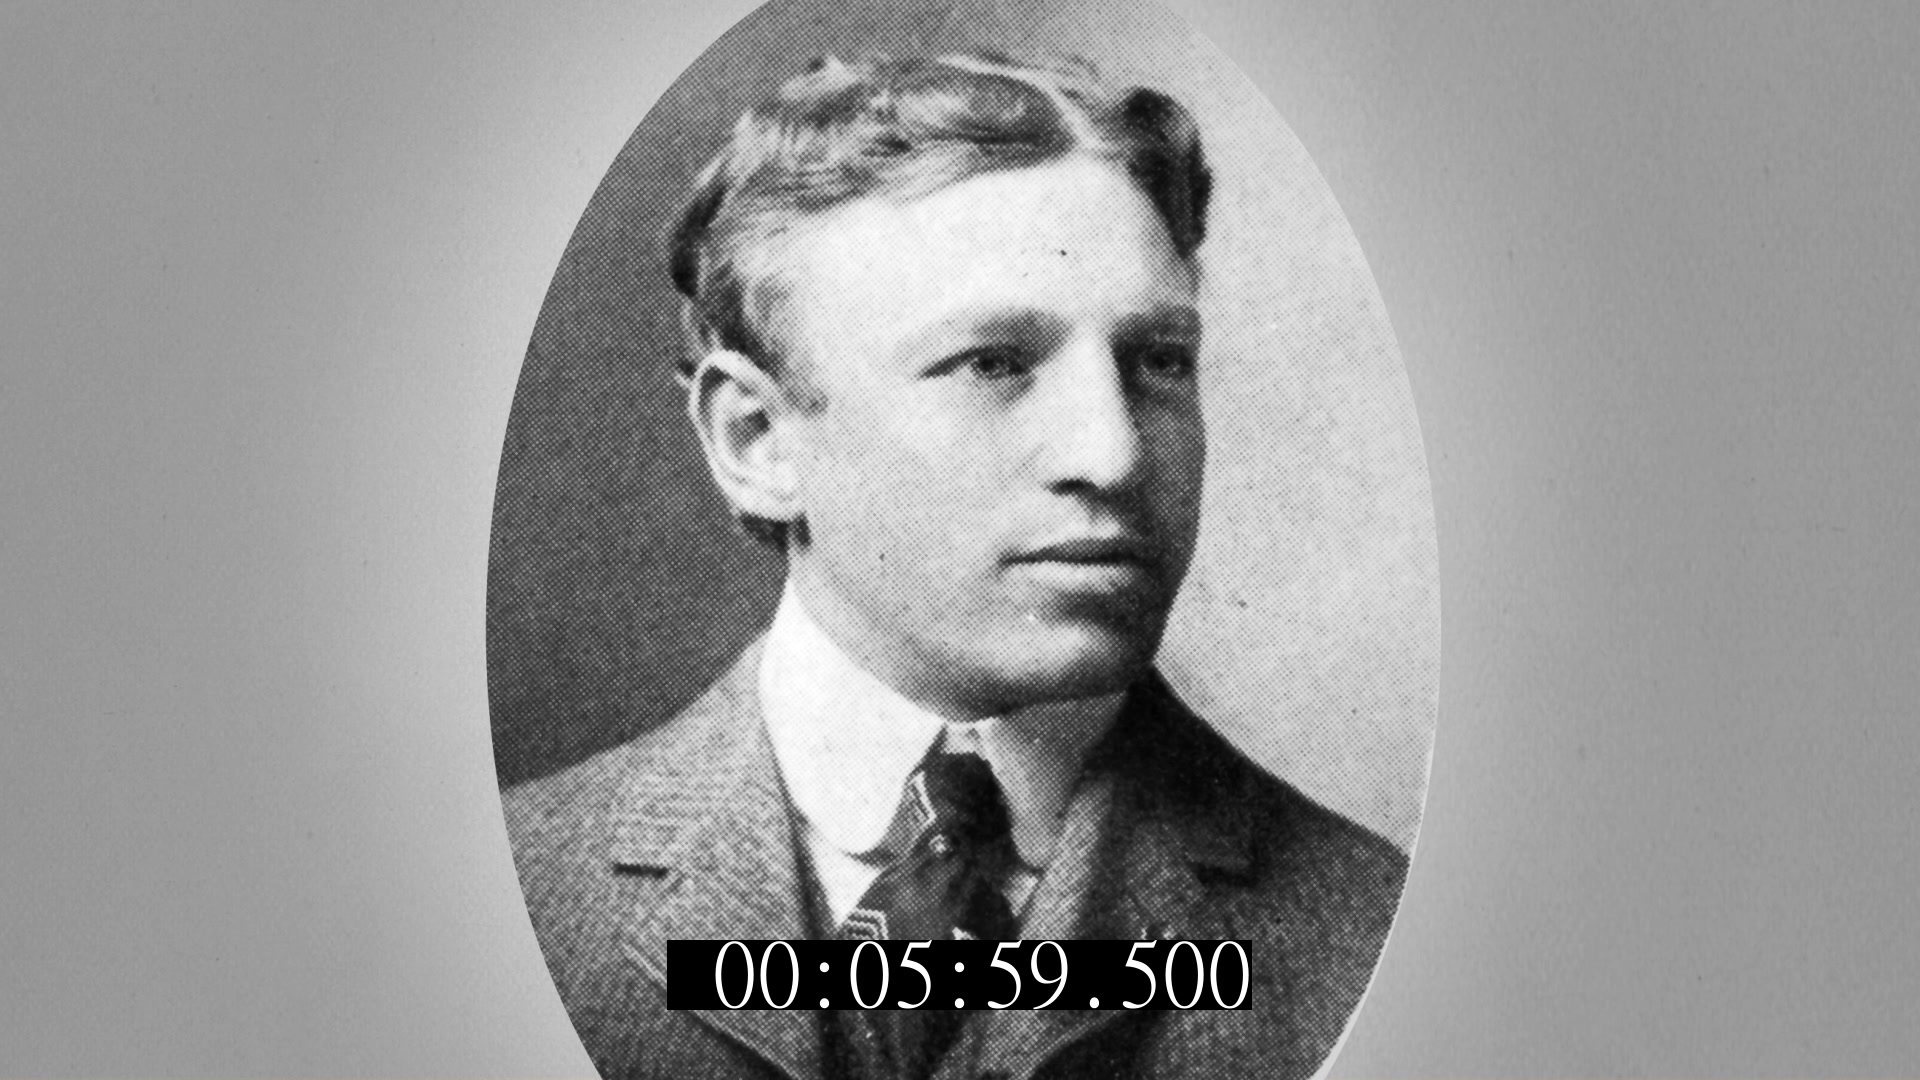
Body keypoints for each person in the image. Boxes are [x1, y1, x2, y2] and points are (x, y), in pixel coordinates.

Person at [504, 51, 1407, 1080]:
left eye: (1158, 360)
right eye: (993, 363)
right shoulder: (514, 896)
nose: (1112, 453)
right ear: (758, 439)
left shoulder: (1367, 938)